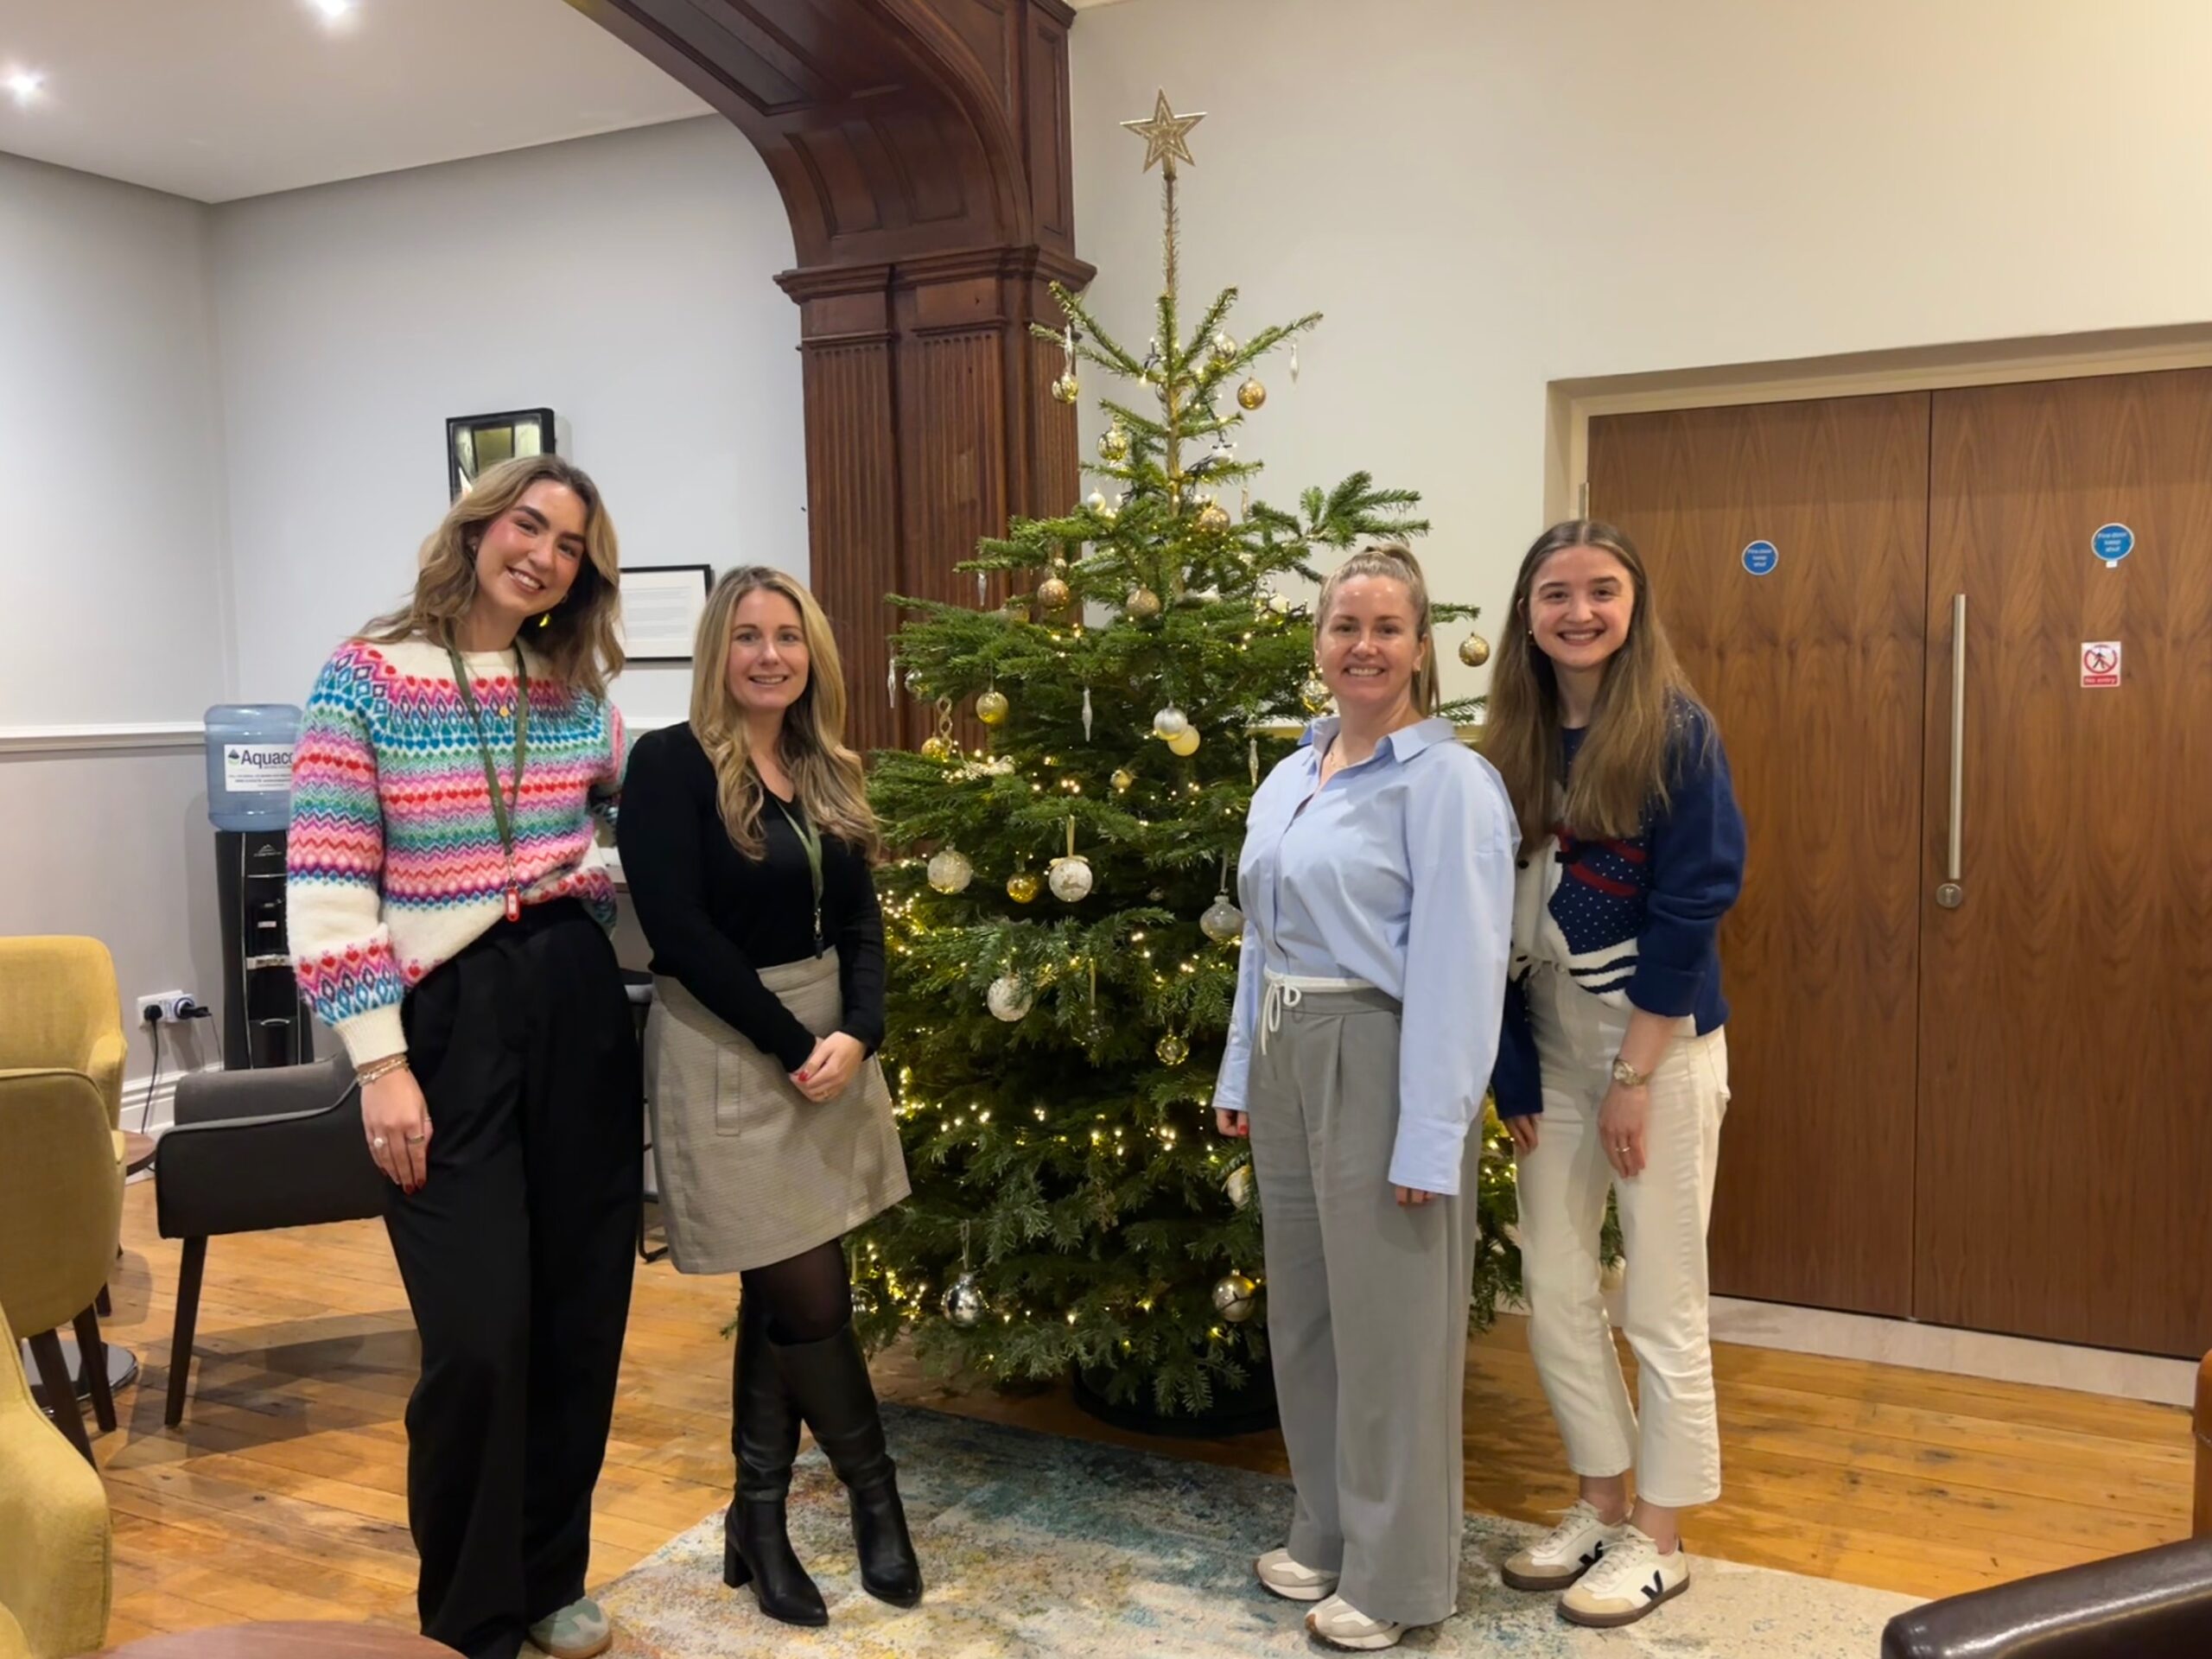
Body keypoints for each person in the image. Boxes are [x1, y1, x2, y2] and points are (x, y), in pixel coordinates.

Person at [286, 455, 639, 1659]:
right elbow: (329, 887)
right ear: (479, 525)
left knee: (581, 1312)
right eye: (526, 525)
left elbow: (626, 818)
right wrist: (381, 1067)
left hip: (577, 1003)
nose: (541, 553)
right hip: (445, 1023)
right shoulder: (368, 675)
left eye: (570, 543)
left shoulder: (574, 690)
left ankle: (550, 1577)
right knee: (478, 1337)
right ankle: (470, 1618)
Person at [1213, 543, 1517, 1651]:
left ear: (1420, 648)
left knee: (1393, 1328)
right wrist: (1241, 1069)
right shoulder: (1290, 774)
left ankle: (1397, 1578)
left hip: (1380, 1053)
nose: (1364, 646)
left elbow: (1460, 968)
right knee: (1306, 1313)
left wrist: (1433, 1135)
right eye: (1346, 626)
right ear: (1319, 644)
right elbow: (1260, 937)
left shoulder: (1448, 786)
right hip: (1289, 1051)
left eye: (1388, 627)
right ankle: (1329, 1530)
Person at [615, 565, 916, 1628]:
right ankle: (877, 1501)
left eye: (786, 636)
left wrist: (859, 1033)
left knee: (779, 1295)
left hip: (826, 1048)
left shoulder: (822, 765)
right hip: (731, 1050)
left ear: (811, 652)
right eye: (747, 636)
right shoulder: (669, 766)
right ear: (717, 651)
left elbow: (864, 922)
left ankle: (759, 1515)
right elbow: (678, 934)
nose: (769, 655)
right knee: (809, 1293)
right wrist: (797, 1044)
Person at [1482, 518, 1745, 1630]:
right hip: (1549, 1044)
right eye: (1555, 594)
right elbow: (1482, 919)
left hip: (1658, 1048)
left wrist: (1636, 1075)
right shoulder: (1505, 742)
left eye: (1599, 591)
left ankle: (1662, 1534)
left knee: (1660, 1297)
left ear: (1633, 606)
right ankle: (1598, 1497)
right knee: (1550, 1286)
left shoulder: (1676, 733)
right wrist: (1514, 1075)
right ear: (1526, 614)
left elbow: (1696, 901)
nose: (1577, 612)